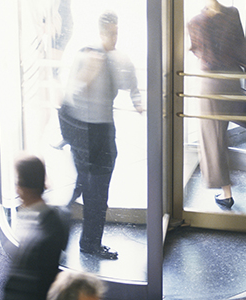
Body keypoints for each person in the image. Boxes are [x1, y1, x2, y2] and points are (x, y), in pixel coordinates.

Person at [58, 10, 144, 260]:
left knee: (88, 187)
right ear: (100, 31)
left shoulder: (119, 59)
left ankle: (79, 238)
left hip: (101, 131)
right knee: (94, 193)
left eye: (115, 32)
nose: (113, 38)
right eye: (109, 33)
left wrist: (138, 103)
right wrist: (89, 75)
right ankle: (89, 244)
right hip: (86, 132)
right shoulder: (87, 55)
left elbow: (133, 85)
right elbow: (72, 92)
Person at [187, 0, 246, 209]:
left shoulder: (196, 22)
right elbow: (242, 47)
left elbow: (198, 52)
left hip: (211, 85)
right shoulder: (232, 13)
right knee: (221, 133)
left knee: (211, 139)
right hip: (232, 80)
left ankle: (226, 192)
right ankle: (232, 172)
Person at [3, 154, 70, 300]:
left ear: (22, 188)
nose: (16, 189)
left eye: (17, 183)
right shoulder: (56, 217)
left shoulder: (41, 231)